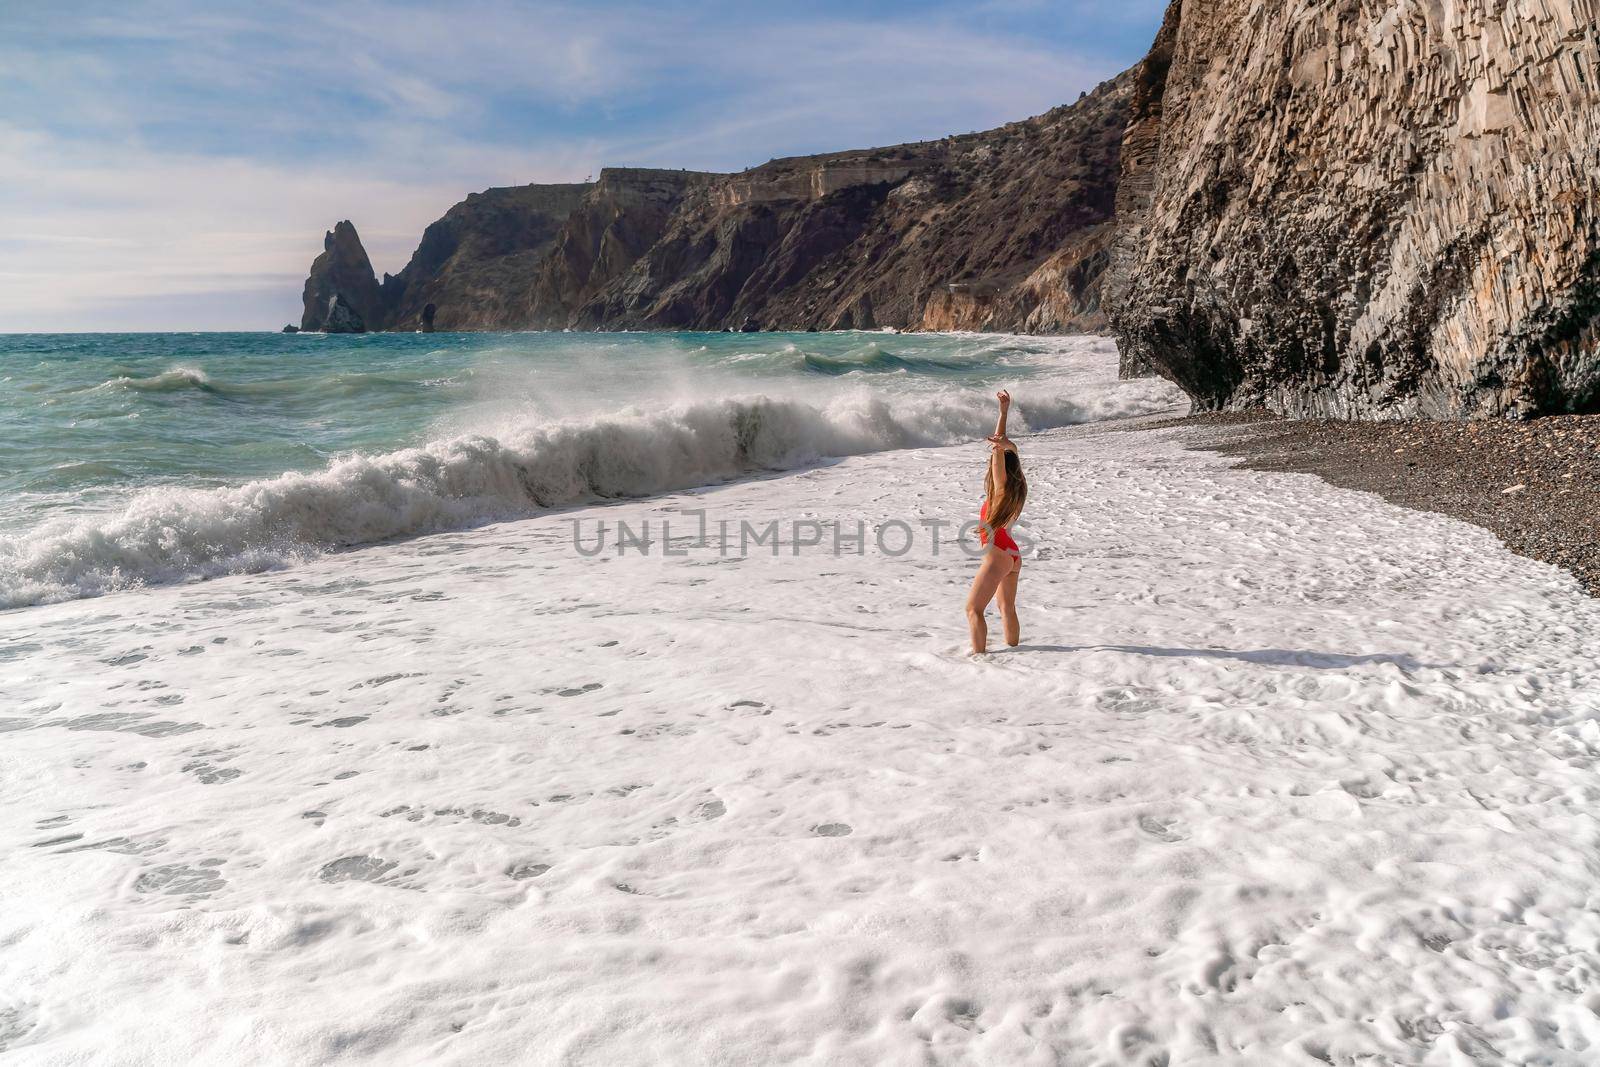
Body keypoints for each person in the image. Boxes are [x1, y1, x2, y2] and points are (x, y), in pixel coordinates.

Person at [966, 390, 1027, 654]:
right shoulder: (1018, 489)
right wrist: (1003, 415)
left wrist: (1003, 417)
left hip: (999, 554)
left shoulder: (1000, 491)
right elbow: (1001, 447)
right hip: (1012, 553)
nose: (992, 466)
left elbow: (997, 450)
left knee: (973, 609)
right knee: (1006, 608)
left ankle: (979, 661)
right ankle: (1015, 651)